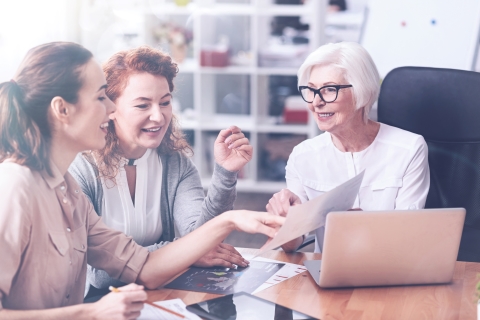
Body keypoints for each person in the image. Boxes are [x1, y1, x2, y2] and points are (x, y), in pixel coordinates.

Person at [0, 42, 284, 319]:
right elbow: (99, 280)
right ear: (62, 109)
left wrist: (229, 220)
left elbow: (144, 267)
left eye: (165, 102)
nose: (110, 109)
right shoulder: (14, 187)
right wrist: (91, 313)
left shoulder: (67, 190)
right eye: (101, 97)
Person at [68, 46, 253, 297]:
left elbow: (201, 238)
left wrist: (225, 174)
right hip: (99, 304)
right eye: (143, 105)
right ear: (111, 108)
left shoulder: (175, 163)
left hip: (156, 295)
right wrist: (184, 251)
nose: (158, 116)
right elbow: (97, 274)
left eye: (165, 102)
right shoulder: (81, 170)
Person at [266, 42, 429, 252]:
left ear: (363, 92)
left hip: (391, 269)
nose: (316, 102)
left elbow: (409, 238)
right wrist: (284, 222)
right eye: (311, 90)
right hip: (328, 272)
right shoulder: (303, 156)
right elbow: (292, 245)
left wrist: (367, 228)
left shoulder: (408, 149)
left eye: (329, 89)